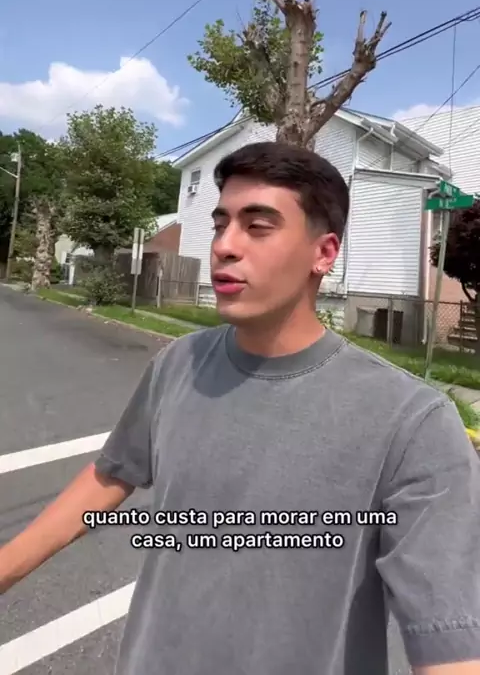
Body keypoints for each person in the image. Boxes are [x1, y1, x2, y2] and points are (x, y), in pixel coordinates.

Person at [1, 140, 480, 675]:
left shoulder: (413, 421)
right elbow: (112, 474)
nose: (225, 246)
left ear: (324, 254)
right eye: (220, 224)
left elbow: (449, 638)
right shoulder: (178, 363)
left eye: (258, 226)